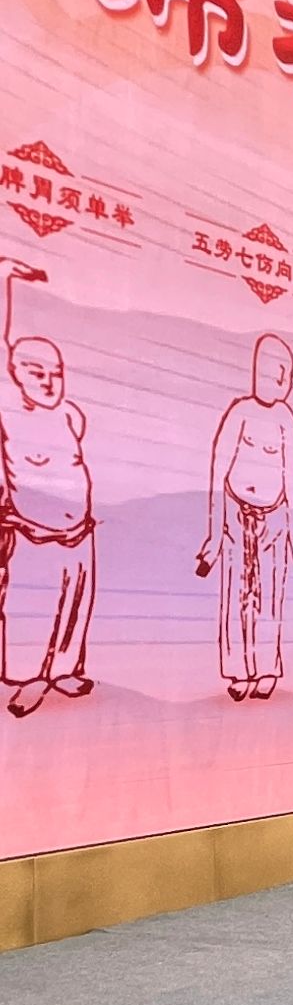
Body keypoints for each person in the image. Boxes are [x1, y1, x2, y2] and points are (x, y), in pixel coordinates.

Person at [0, 256, 95, 719]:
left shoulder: (69, 415)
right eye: (36, 372)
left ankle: (63, 670)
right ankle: (29, 678)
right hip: (33, 533)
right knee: (33, 605)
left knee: (76, 602)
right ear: (16, 374)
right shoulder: (12, 414)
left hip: (79, 533)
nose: (49, 381)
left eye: (55, 373)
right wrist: (5, 277)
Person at [198, 332, 293, 701]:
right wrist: (215, 535)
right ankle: (237, 670)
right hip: (235, 514)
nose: (277, 381)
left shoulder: (286, 420)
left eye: (283, 375)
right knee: (236, 594)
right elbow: (218, 472)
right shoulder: (240, 412)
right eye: (270, 372)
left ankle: (266, 668)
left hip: (274, 519)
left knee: (270, 597)